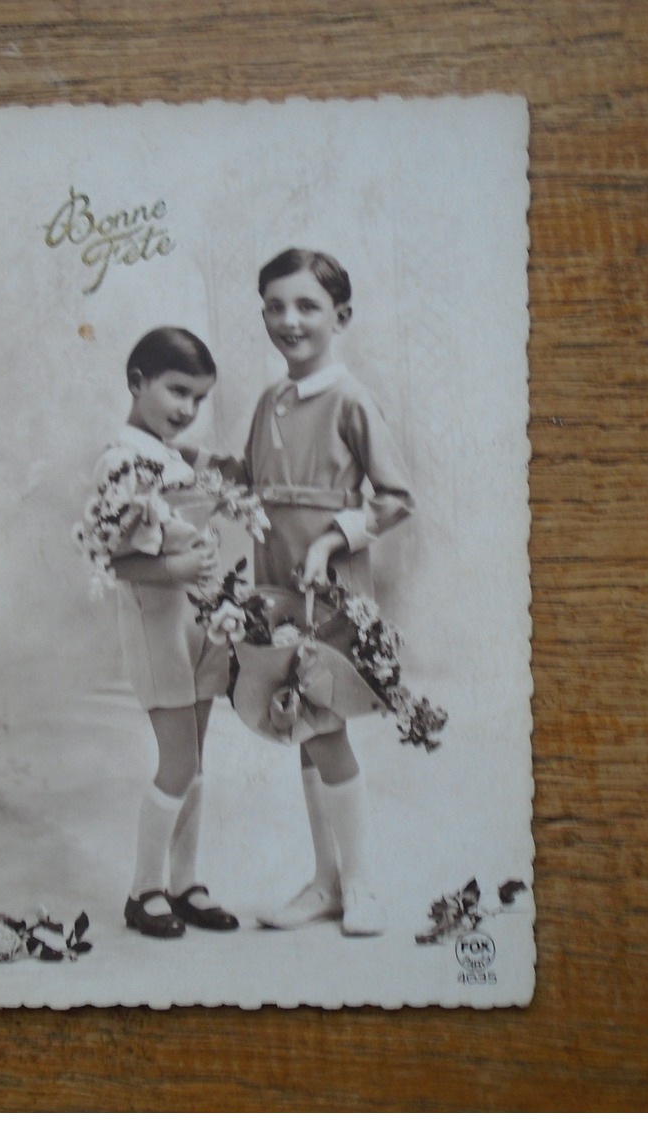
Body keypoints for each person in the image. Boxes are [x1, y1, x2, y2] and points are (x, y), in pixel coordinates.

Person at [243, 249, 415, 937]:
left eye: (307, 306)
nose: (290, 319)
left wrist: (329, 541)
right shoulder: (269, 401)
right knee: (304, 730)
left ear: (340, 317)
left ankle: (361, 884)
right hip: (276, 585)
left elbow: (396, 498)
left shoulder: (349, 398)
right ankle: (326, 883)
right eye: (276, 306)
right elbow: (251, 479)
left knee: (327, 727)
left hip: (329, 587)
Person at [75, 327, 241, 940]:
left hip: (199, 625)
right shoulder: (120, 461)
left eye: (198, 399)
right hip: (157, 628)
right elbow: (110, 556)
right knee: (177, 761)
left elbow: (203, 470)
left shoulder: (169, 454)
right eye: (177, 392)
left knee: (195, 762)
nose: (187, 410)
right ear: (137, 382)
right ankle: (143, 890)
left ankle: (185, 882)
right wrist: (173, 568)